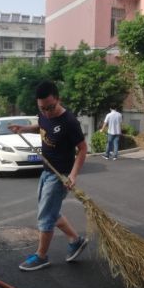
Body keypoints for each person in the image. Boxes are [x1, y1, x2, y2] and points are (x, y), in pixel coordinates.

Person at [9, 81, 88, 271]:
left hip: (59, 176)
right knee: (50, 212)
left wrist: (73, 175)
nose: (46, 113)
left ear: (58, 99)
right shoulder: (44, 115)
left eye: (50, 108)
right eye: (42, 108)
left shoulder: (69, 122)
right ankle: (75, 240)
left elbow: (83, 149)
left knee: (45, 216)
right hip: (46, 171)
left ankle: (41, 256)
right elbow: (42, 126)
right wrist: (24, 128)